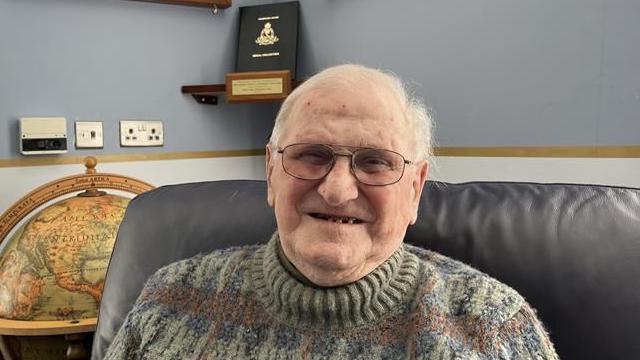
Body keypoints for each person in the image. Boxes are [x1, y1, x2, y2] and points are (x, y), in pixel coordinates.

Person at [105, 64, 558, 359]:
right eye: (311, 155)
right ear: (271, 172)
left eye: (376, 162)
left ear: (415, 190)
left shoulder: (491, 327)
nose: (338, 190)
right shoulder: (169, 300)